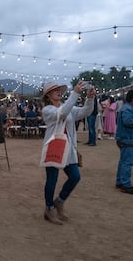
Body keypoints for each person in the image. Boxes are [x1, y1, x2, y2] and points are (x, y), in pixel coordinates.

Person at [41, 81, 95, 225]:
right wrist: (76, 93)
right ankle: (49, 208)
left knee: (75, 176)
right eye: (55, 90)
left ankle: (59, 201)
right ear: (48, 95)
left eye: (59, 90)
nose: (59, 92)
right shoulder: (47, 110)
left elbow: (86, 112)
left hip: (68, 149)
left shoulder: (68, 107)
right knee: (52, 179)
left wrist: (90, 99)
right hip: (54, 147)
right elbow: (62, 113)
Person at [115, 90, 133, 194]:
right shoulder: (128, 109)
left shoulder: (126, 108)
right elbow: (128, 122)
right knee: (127, 163)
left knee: (123, 162)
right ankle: (125, 184)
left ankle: (120, 181)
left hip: (125, 139)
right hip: (127, 139)